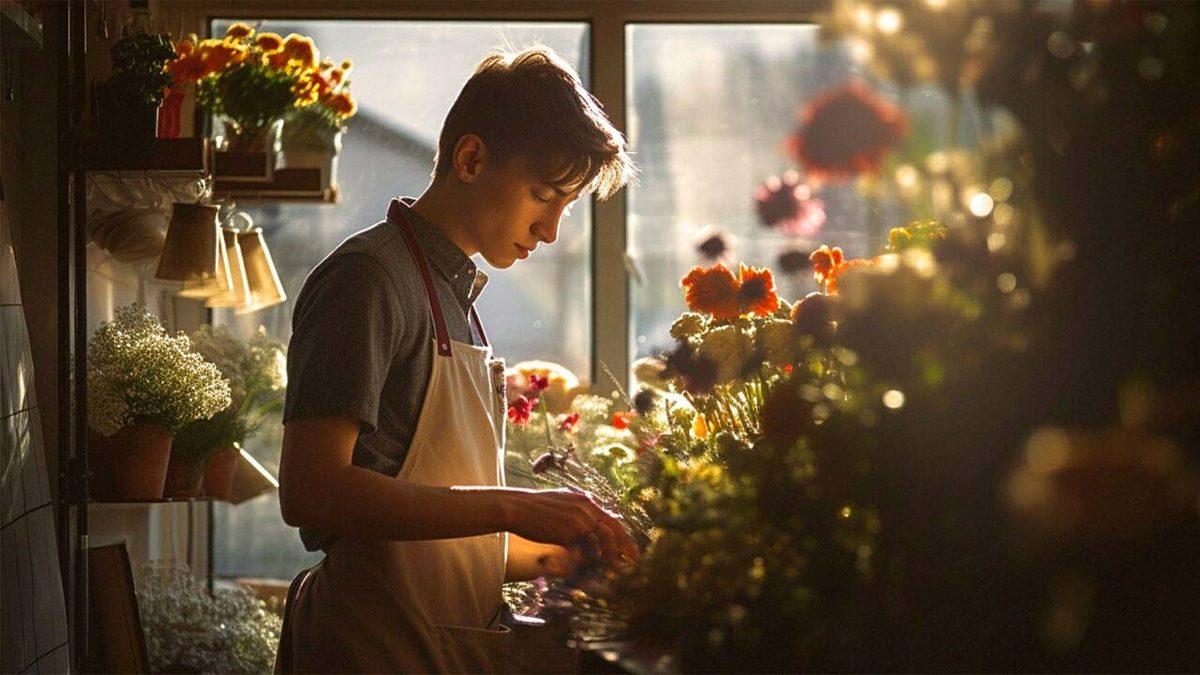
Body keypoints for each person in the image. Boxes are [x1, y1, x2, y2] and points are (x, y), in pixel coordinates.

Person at [273, 46, 638, 673]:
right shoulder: (368, 278)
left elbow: (435, 538)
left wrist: (563, 557)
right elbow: (312, 491)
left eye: (565, 207)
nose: (550, 230)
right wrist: (517, 505)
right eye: (542, 196)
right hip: (369, 649)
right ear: (470, 159)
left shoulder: (455, 297)